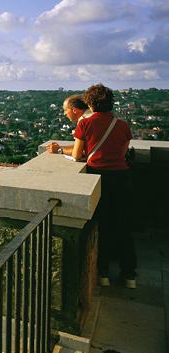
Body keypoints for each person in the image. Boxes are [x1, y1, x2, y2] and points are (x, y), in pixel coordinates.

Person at [70, 84, 136, 288]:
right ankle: (130, 275)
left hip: (99, 177)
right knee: (124, 226)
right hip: (122, 177)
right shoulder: (122, 124)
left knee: (103, 225)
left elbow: (76, 154)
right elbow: (123, 151)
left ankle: (104, 273)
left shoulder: (85, 124)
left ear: (90, 102)